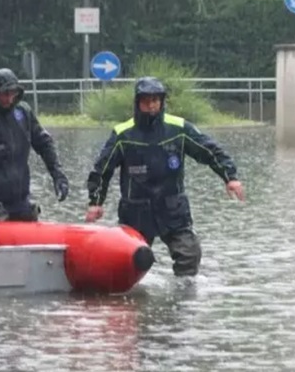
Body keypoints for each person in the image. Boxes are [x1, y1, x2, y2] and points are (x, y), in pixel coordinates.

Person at [85, 76, 245, 277]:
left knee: (190, 255)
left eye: (155, 101)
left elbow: (210, 150)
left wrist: (230, 177)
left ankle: (183, 299)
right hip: (136, 211)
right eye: (146, 101)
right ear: (138, 103)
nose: (151, 106)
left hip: (173, 208)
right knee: (128, 262)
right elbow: (102, 169)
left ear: (161, 102)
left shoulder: (178, 128)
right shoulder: (123, 134)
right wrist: (95, 202)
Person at [0, 68, 70, 221]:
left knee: (31, 214)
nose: (9, 99)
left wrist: (58, 175)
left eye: (13, 94)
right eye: (5, 94)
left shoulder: (23, 113)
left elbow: (44, 143)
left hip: (19, 198)